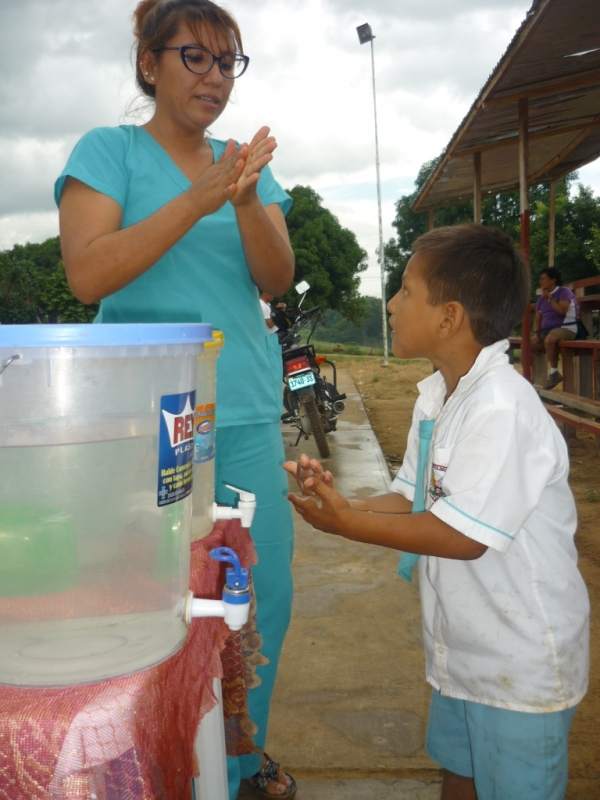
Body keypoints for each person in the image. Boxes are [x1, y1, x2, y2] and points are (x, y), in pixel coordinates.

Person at [55, 1, 296, 797]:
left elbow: (276, 279)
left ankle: (236, 763)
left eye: (228, 62)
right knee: (149, 595)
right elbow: (88, 273)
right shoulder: (109, 151)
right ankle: (155, 763)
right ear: (149, 63)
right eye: (194, 57)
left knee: (255, 602)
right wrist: (195, 200)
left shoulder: (245, 167)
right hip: (146, 418)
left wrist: (245, 199)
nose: (215, 76)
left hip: (249, 408)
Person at [285, 224, 589, 800]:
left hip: (518, 663)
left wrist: (350, 526)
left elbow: (464, 537)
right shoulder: (438, 396)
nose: (392, 304)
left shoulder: (501, 409)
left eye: (404, 290)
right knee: (459, 771)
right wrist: (348, 504)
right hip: (465, 650)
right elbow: (409, 497)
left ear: (448, 317)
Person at [532, 267, 577, 389]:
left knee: (550, 340)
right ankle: (531, 379)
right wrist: (536, 333)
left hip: (566, 328)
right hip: (547, 331)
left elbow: (562, 311)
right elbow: (537, 320)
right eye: (540, 279)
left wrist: (550, 298)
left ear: (553, 280)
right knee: (527, 343)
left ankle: (554, 373)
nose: (540, 282)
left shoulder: (564, 292)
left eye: (543, 279)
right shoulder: (541, 299)